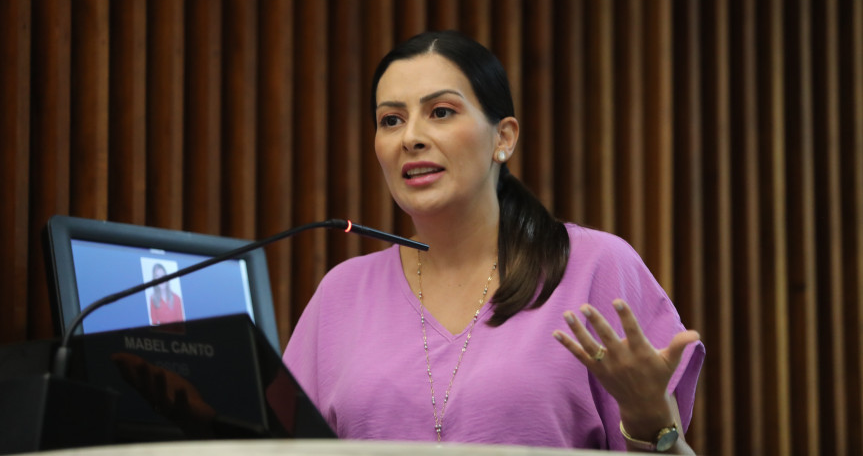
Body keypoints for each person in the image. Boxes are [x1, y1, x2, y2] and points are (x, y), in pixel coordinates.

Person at [283, 30, 705, 452]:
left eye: (441, 112)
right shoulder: (341, 293)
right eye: (391, 120)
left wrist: (652, 419)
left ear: (503, 138)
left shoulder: (596, 265)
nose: (410, 137)